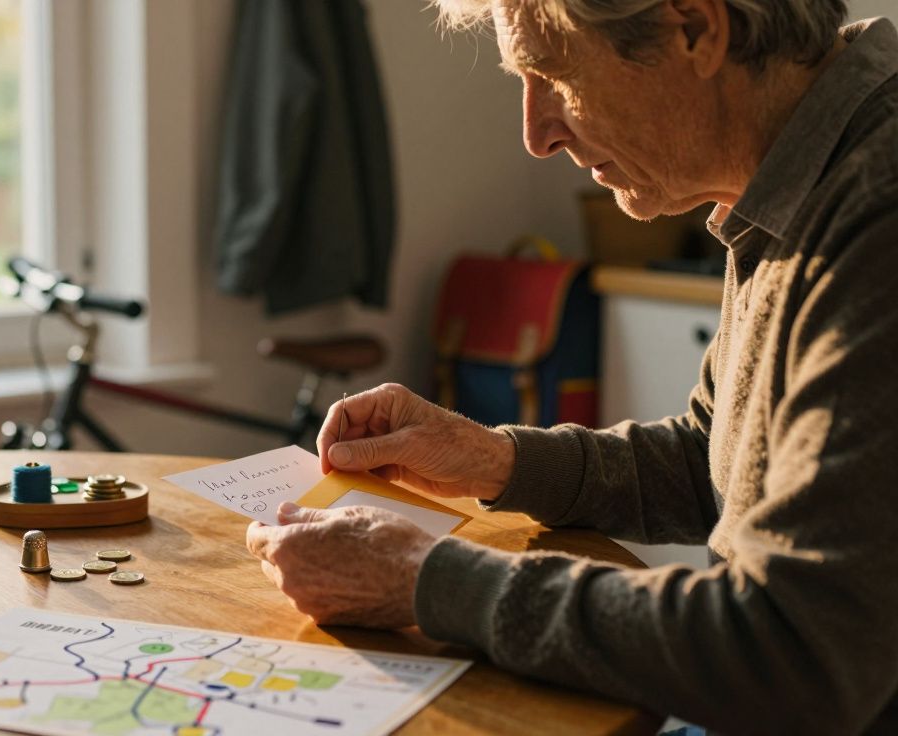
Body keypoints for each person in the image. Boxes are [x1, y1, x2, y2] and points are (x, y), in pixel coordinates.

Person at [245, 0, 898, 732]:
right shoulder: (798, 179)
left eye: (551, 73)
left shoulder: (875, 216)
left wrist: (425, 580)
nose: (535, 134)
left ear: (695, 29)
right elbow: (712, 459)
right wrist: (493, 459)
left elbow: (796, 653)